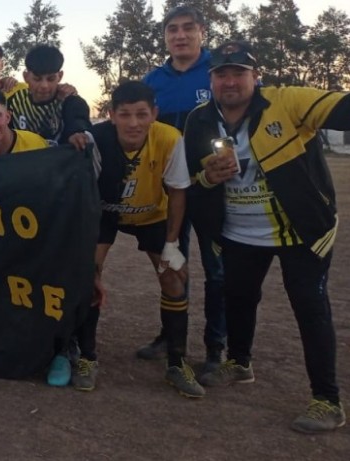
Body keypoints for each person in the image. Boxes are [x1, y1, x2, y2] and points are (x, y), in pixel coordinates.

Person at [186, 40, 349, 433]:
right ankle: (240, 363)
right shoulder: (199, 120)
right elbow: (190, 178)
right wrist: (209, 177)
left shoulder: (286, 101)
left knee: (310, 309)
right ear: (210, 79)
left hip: (301, 232)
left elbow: (342, 109)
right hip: (239, 232)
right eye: (221, 73)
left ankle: (327, 400)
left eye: (239, 72)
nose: (230, 81)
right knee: (239, 299)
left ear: (255, 77)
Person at [66, 81, 200, 398]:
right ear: (111, 115)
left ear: (154, 113)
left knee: (172, 278)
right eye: (124, 115)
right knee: (88, 279)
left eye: (142, 114)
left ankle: (177, 362)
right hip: (105, 214)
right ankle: (86, 357)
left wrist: (172, 245)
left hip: (153, 214)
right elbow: (83, 192)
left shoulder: (169, 138)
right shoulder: (95, 140)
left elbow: (178, 192)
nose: (133, 123)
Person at [141, 5, 226, 373]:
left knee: (217, 269)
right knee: (171, 264)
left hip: (212, 189)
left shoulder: (219, 72)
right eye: (172, 29)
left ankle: (215, 347)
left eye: (187, 28)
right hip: (168, 192)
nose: (179, 35)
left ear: (202, 33)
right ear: (165, 37)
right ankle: (170, 336)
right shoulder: (153, 80)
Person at [6, 45, 90, 146]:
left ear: (60, 76)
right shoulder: (13, 102)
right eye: (37, 79)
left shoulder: (71, 101)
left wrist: (77, 134)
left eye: (51, 79)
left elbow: (78, 122)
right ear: (26, 76)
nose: (44, 86)